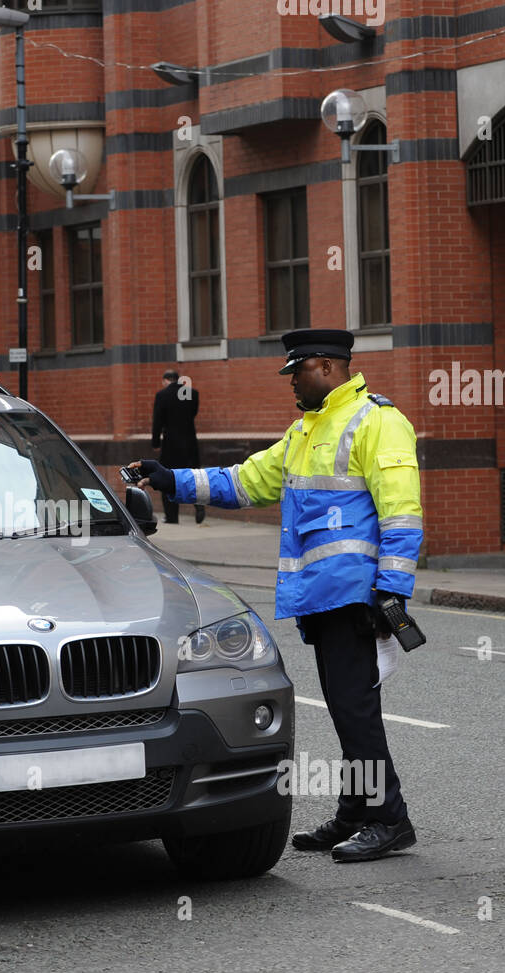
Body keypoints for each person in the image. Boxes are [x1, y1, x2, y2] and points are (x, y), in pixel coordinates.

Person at [133, 329, 422, 862]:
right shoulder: (305, 432)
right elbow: (244, 483)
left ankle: (389, 817)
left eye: (299, 372)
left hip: (354, 598)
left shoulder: (377, 422)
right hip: (323, 597)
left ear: (329, 367)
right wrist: (169, 479)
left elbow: (402, 515)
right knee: (345, 708)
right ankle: (357, 813)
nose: (292, 382)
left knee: (355, 711)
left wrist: (390, 593)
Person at [151, 369, 205, 525]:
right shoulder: (192, 394)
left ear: (165, 380)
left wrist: (156, 442)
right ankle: (199, 504)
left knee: (169, 478)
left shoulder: (162, 395)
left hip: (171, 445)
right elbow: (193, 413)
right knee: (195, 477)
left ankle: (172, 516)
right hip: (190, 443)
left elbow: (157, 421)